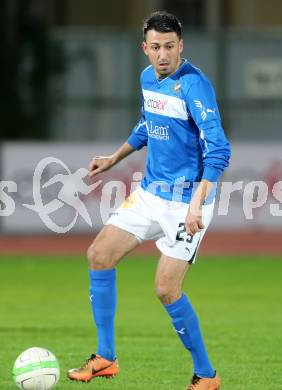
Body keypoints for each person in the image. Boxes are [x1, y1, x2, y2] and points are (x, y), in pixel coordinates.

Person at [67, 10, 230, 390]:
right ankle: (106, 356)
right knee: (99, 255)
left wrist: (197, 202)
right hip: (151, 193)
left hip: (189, 200)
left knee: (166, 289)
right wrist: (113, 158)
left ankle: (206, 375)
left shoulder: (194, 86)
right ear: (145, 48)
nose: (163, 55)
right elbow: (147, 125)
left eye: (170, 47)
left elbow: (219, 148)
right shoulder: (147, 79)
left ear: (181, 46)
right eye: (156, 47)